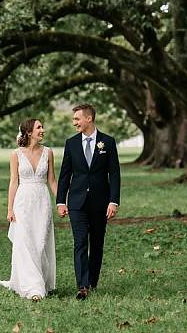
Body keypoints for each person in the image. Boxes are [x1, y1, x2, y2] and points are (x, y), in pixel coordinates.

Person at [56, 104, 121, 300]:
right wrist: (61, 201)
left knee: (97, 243)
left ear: (89, 119)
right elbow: (65, 175)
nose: (74, 122)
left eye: (77, 119)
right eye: (74, 119)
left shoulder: (107, 142)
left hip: (101, 203)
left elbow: (115, 174)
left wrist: (113, 201)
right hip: (77, 203)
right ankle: (82, 286)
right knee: (80, 242)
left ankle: (92, 281)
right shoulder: (71, 143)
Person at [0, 118, 57, 301]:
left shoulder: (48, 153)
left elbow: (52, 180)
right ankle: (33, 288)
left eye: (42, 126)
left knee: (39, 242)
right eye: (39, 127)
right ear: (29, 132)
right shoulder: (16, 154)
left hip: (42, 201)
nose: (42, 130)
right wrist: (10, 208)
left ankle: (40, 280)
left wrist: (62, 202)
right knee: (24, 243)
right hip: (22, 202)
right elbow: (14, 181)